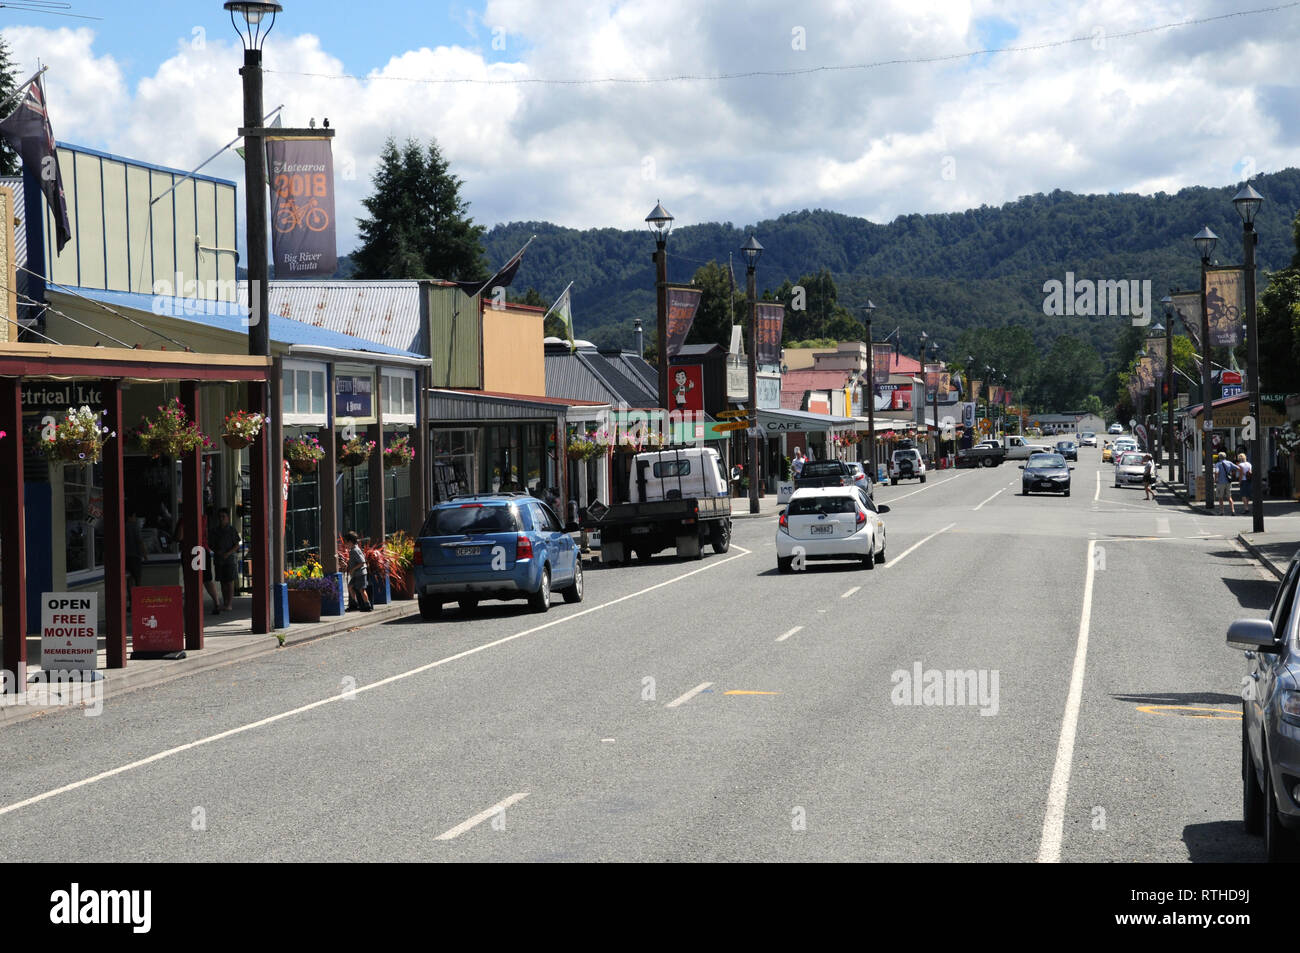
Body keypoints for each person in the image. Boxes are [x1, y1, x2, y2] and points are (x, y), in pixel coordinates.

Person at [208, 508, 241, 612]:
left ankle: (229, 604)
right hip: (219, 559)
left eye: (223, 517)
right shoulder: (214, 531)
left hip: (230, 559)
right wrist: (217, 551)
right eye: (220, 517)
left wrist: (228, 553)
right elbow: (211, 544)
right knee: (222, 581)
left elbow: (237, 545)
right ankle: (225, 602)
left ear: (228, 518)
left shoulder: (232, 530)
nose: (221, 519)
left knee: (229, 581)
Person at [345, 531, 372, 612]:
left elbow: (362, 562)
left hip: (360, 573)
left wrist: (352, 569)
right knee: (350, 587)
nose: (345, 545)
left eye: (346, 542)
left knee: (361, 589)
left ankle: (367, 605)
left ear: (350, 542)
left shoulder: (355, 550)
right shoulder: (353, 549)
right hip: (356, 574)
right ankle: (354, 604)